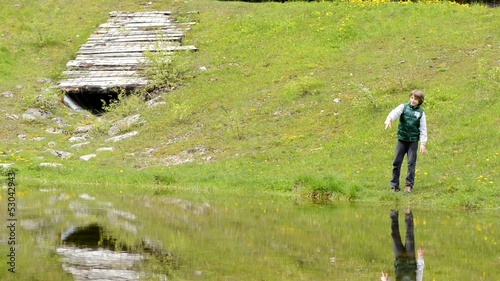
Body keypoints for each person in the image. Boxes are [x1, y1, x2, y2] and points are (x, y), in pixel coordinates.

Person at [384, 90, 428, 193]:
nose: (413, 100)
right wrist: (389, 119)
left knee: (411, 163)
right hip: (402, 140)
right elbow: (395, 112)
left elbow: (423, 129)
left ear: (420, 101)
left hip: (412, 142)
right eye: (412, 98)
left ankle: (409, 185)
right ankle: (394, 186)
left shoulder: (421, 113)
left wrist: (423, 144)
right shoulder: (403, 107)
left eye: (416, 99)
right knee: (396, 162)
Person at [381, 209, 424, 281]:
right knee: (409, 236)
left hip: (399, 258)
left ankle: (394, 214)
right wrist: (420, 257)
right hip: (410, 258)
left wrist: (386, 280)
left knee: (395, 236)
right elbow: (419, 273)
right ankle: (408, 215)